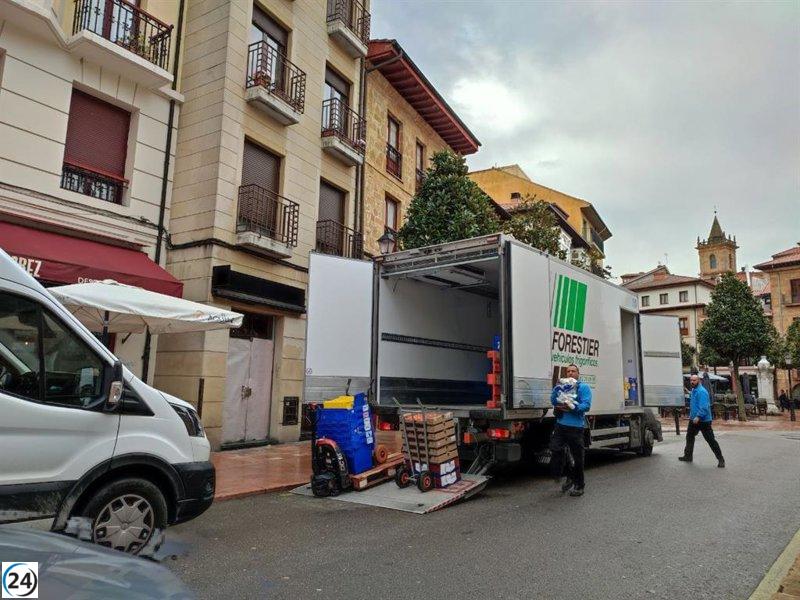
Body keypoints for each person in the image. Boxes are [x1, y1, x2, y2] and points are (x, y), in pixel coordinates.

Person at [549, 364, 592, 497]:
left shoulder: (583, 387)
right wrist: (556, 390)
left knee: (577, 457)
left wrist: (573, 407)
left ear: (578, 374)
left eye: (573, 371)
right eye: (568, 371)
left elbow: (586, 405)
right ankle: (566, 475)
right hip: (560, 425)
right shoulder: (562, 386)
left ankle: (579, 485)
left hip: (575, 427)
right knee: (556, 449)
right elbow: (553, 401)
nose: (570, 373)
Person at [679, 374, 725, 468]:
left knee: (711, 440)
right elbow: (693, 398)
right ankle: (688, 456)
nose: (692, 382)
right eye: (691, 380)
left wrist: (698, 417)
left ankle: (721, 459)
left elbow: (704, 407)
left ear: (699, 380)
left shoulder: (702, 392)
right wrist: (687, 391)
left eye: (694, 380)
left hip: (703, 420)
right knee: (689, 437)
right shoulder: (694, 390)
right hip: (693, 420)